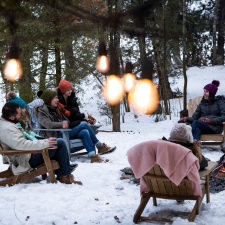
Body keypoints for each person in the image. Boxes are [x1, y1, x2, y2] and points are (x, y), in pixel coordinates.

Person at [0, 102, 82, 185]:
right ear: (11, 117)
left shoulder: (7, 124)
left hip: (25, 156)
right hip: (26, 159)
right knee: (59, 143)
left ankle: (64, 172)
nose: (21, 113)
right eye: (18, 113)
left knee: (53, 142)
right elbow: (22, 144)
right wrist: (45, 143)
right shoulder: (7, 129)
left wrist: (44, 142)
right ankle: (64, 176)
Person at [35, 89, 116, 163]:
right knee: (83, 125)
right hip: (57, 136)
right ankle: (100, 146)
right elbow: (48, 125)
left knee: (84, 131)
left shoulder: (57, 109)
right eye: (55, 98)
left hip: (66, 132)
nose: (57, 100)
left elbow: (69, 120)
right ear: (49, 99)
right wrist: (63, 124)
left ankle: (93, 156)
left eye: (57, 98)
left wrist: (82, 119)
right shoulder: (42, 112)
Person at [178, 80, 225, 144]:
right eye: (204, 91)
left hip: (215, 128)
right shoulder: (202, 103)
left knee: (196, 123)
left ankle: (183, 140)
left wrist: (211, 121)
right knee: (197, 129)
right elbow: (195, 117)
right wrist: (186, 119)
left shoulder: (219, 102)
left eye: (206, 92)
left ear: (211, 93)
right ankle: (195, 144)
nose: (204, 93)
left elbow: (224, 117)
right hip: (204, 126)